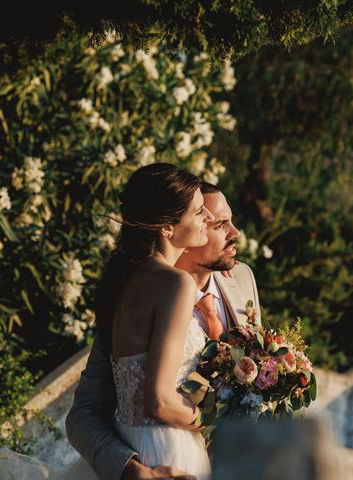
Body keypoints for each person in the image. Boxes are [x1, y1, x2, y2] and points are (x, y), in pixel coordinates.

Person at [64, 180, 261, 480]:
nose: (235, 234)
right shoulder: (136, 294)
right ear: (171, 228)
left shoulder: (242, 278)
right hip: (167, 460)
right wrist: (130, 470)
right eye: (217, 223)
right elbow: (84, 415)